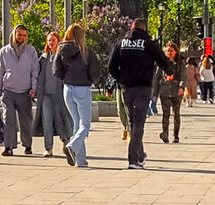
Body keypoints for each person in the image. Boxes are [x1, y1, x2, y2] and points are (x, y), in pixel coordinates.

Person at [108, 20, 173, 170]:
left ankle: (140, 154)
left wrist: (121, 78)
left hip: (127, 87)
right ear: (144, 28)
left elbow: (111, 66)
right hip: (143, 86)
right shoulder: (148, 43)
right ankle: (133, 160)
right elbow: (162, 60)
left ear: (131, 27)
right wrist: (170, 72)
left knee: (132, 122)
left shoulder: (121, 43)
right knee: (139, 123)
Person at [0, 24, 40, 158]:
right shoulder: (4, 51)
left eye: (24, 35)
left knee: (26, 120)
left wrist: (34, 88)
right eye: (19, 34)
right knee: (8, 118)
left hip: (25, 92)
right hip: (8, 91)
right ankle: (8, 147)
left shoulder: (31, 51)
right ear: (14, 35)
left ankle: (27, 144)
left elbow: (35, 71)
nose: (21, 37)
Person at [54, 24, 96, 167]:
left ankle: (80, 160)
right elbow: (95, 70)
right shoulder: (85, 51)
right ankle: (72, 146)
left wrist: (66, 78)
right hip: (82, 88)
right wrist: (90, 80)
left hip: (67, 88)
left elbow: (56, 70)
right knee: (85, 125)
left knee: (77, 124)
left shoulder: (60, 49)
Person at [35, 31, 67, 158]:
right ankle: (48, 148)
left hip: (58, 94)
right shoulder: (43, 58)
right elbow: (37, 73)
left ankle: (66, 141)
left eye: (53, 40)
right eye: (49, 40)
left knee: (59, 120)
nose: (51, 43)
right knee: (46, 121)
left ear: (59, 41)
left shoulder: (63, 56)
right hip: (45, 95)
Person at [155, 42, 186, 144]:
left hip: (176, 91)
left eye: (171, 51)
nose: (169, 52)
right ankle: (165, 134)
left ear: (176, 52)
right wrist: (155, 92)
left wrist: (181, 87)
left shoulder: (180, 63)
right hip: (165, 91)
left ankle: (176, 135)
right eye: (167, 50)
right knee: (165, 114)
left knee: (176, 114)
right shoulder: (162, 63)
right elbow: (157, 77)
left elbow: (183, 76)